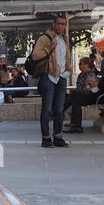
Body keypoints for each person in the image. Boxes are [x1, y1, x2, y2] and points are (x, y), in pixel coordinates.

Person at [29, 14, 69, 148]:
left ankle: (58, 137)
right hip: (48, 76)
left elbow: (66, 58)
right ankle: (46, 139)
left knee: (59, 109)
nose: (61, 26)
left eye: (63, 24)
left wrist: (68, 70)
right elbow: (35, 56)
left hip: (61, 78)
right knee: (47, 109)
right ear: (54, 24)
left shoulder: (65, 40)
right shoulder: (45, 38)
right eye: (58, 23)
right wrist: (49, 48)